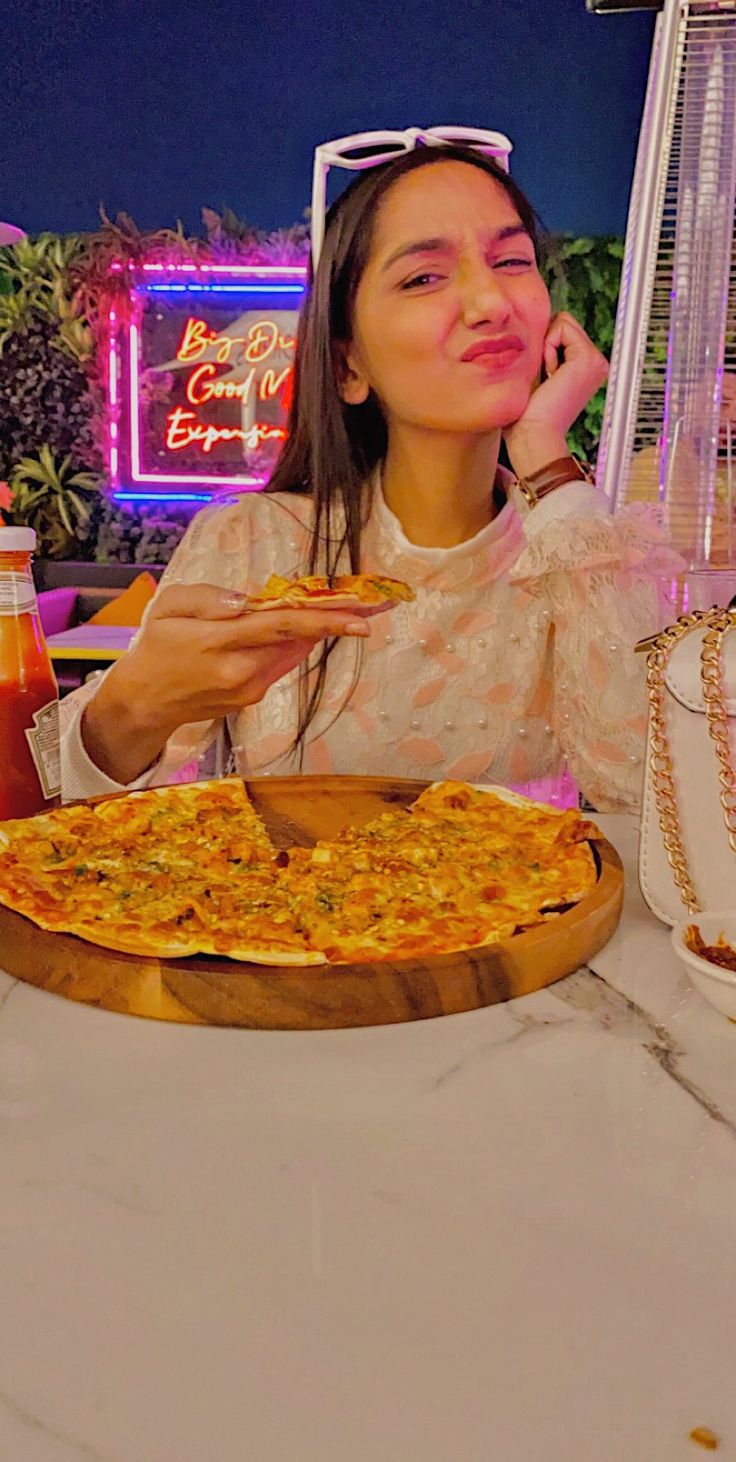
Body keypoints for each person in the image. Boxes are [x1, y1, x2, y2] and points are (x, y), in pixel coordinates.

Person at [61, 133, 683, 812]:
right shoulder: (252, 545)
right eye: (423, 277)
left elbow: (655, 806)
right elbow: (83, 819)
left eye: (511, 260)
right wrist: (130, 709)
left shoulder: (580, 556)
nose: (491, 303)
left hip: (534, 915)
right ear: (348, 366)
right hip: (287, 916)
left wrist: (547, 460)